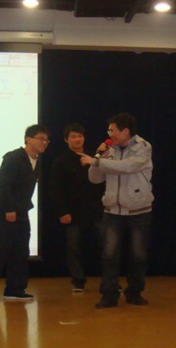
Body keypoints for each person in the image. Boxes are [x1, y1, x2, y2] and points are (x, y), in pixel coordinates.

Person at [80, 113, 153, 309]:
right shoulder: (109, 149)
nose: (109, 134)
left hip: (139, 210)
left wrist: (96, 162)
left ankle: (134, 293)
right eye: (109, 130)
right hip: (112, 210)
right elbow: (95, 179)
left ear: (125, 131)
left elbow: (128, 167)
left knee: (138, 255)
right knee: (109, 255)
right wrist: (99, 158)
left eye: (112, 130)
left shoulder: (143, 147)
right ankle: (109, 295)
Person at [0, 124, 50, 301]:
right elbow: (3, 185)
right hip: (4, 211)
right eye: (41, 139)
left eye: (47, 140)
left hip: (21, 211)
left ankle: (15, 288)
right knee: (1, 249)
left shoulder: (37, 161)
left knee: (21, 250)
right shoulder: (14, 158)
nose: (45, 142)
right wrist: (9, 209)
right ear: (28, 139)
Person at [50, 123, 105, 293]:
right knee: (73, 247)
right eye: (73, 136)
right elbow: (56, 189)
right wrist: (62, 212)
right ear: (66, 140)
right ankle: (78, 280)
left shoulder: (94, 157)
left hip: (97, 209)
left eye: (80, 136)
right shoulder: (60, 162)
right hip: (73, 211)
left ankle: (110, 281)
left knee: (106, 245)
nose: (77, 139)